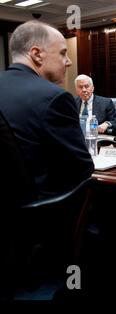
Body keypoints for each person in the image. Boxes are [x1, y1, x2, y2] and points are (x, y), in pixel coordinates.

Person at [0, 20, 94, 199]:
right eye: (63, 53)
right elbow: (81, 168)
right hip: (45, 213)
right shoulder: (54, 97)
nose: (69, 61)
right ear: (36, 54)